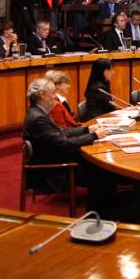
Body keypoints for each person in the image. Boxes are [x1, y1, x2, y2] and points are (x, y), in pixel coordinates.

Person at [22, 77, 114, 214]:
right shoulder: (38, 118)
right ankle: (100, 213)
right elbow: (64, 143)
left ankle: (104, 209)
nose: (55, 97)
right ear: (42, 95)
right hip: (54, 170)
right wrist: (94, 136)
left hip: (54, 157)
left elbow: (61, 133)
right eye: (52, 93)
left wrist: (86, 129)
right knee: (102, 170)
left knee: (100, 166)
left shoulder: (37, 111)